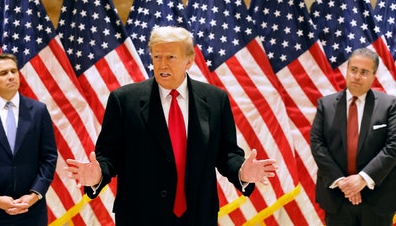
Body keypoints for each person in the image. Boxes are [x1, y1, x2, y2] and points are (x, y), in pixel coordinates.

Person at [65, 26, 277, 226]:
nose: (162, 64)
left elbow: (226, 153)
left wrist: (242, 171)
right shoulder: (124, 100)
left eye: (171, 57)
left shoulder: (215, 99)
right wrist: (97, 175)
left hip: (197, 217)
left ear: (189, 61)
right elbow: (109, 156)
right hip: (140, 217)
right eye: (157, 57)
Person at [0, 53, 58, 225]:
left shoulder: (38, 111)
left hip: (31, 210)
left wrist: (34, 194)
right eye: (3, 73)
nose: (11, 76)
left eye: (14, 71)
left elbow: (49, 157)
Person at [310, 48, 396, 226]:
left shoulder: (389, 105)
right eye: (353, 70)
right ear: (347, 70)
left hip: (377, 199)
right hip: (337, 199)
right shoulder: (325, 105)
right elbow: (318, 145)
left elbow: (393, 146)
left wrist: (362, 178)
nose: (357, 76)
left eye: (364, 72)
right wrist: (343, 183)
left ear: (373, 76)